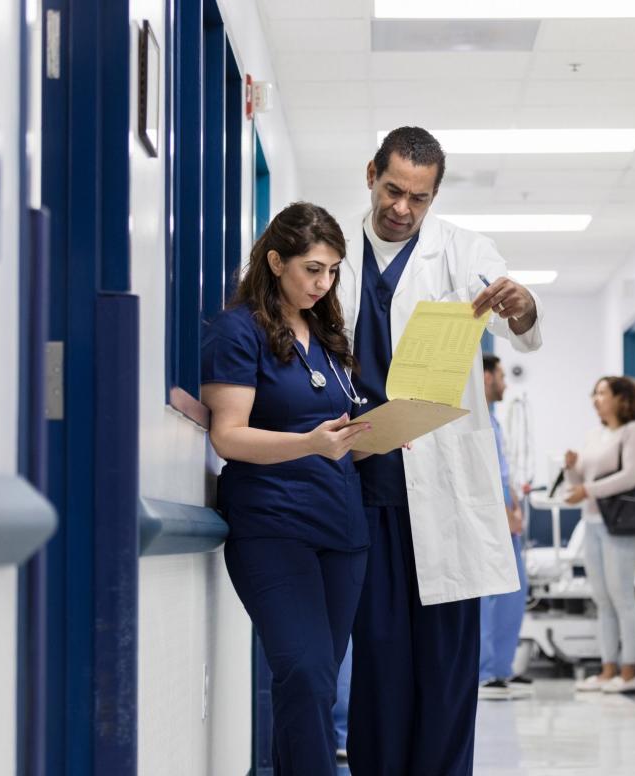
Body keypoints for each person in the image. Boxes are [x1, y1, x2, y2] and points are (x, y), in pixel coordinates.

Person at [338, 126, 545, 776]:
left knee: (447, 670)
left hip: (444, 492)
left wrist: (521, 304)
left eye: (418, 198)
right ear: (371, 172)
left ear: (434, 196)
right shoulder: (333, 250)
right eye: (393, 190)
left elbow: (522, 331)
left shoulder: (460, 249)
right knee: (377, 661)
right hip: (364, 488)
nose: (402, 208)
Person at [201, 202, 372, 774]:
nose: (323, 285)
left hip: (342, 529)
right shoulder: (238, 330)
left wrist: (381, 435)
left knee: (315, 687)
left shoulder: (325, 334)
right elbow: (228, 436)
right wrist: (309, 444)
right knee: (303, 671)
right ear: (276, 261)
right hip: (273, 527)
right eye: (312, 270)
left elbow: (337, 430)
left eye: (332, 272)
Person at [563, 376, 635, 694]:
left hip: (621, 525)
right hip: (591, 522)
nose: (595, 399)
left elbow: (630, 476)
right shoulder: (595, 435)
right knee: (601, 598)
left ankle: (629, 674)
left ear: (621, 398)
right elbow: (582, 479)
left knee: (622, 596)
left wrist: (587, 489)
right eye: (594, 393)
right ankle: (607, 670)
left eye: (602, 393)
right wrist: (571, 469)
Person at [478, 355, 533, 701]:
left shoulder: (494, 421)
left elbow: (503, 469)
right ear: (485, 377)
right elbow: (481, 473)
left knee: (515, 589)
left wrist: (513, 505)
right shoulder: (473, 417)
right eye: (500, 375)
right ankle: (483, 673)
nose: (505, 382)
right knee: (487, 595)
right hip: (486, 513)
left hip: (505, 509)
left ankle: (501, 667)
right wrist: (501, 510)